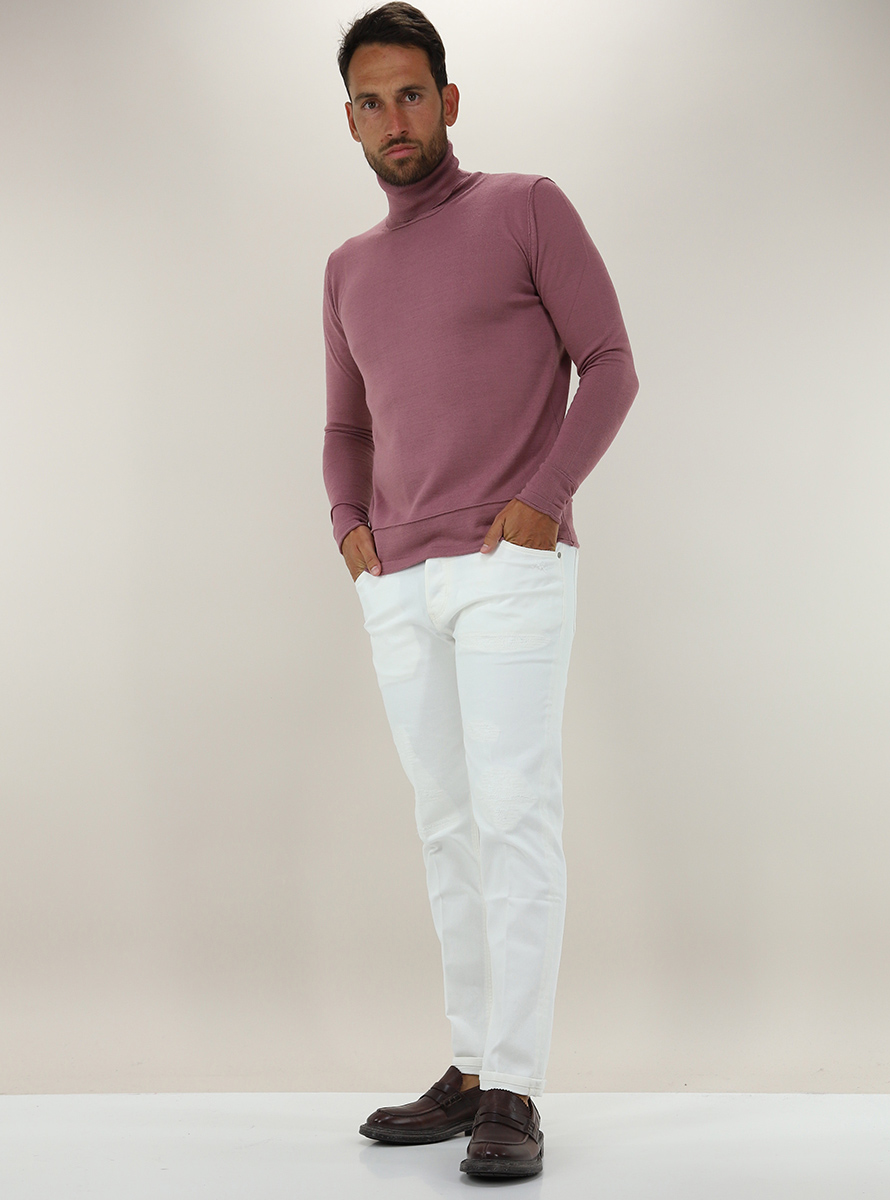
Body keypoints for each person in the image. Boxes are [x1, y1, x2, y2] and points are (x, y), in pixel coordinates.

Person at [322, 2, 638, 1180]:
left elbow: (609, 364)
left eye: (411, 94)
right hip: (397, 579)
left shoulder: (525, 208)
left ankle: (515, 1085)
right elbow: (344, 425)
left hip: (509, 567)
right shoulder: (346, 268)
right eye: (370, 102)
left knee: (514, 816)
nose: (393, 119)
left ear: (448, 100)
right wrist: (348, 527)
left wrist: (541, 501)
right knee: (445, 825)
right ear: (349, 120)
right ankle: (466, 1068)